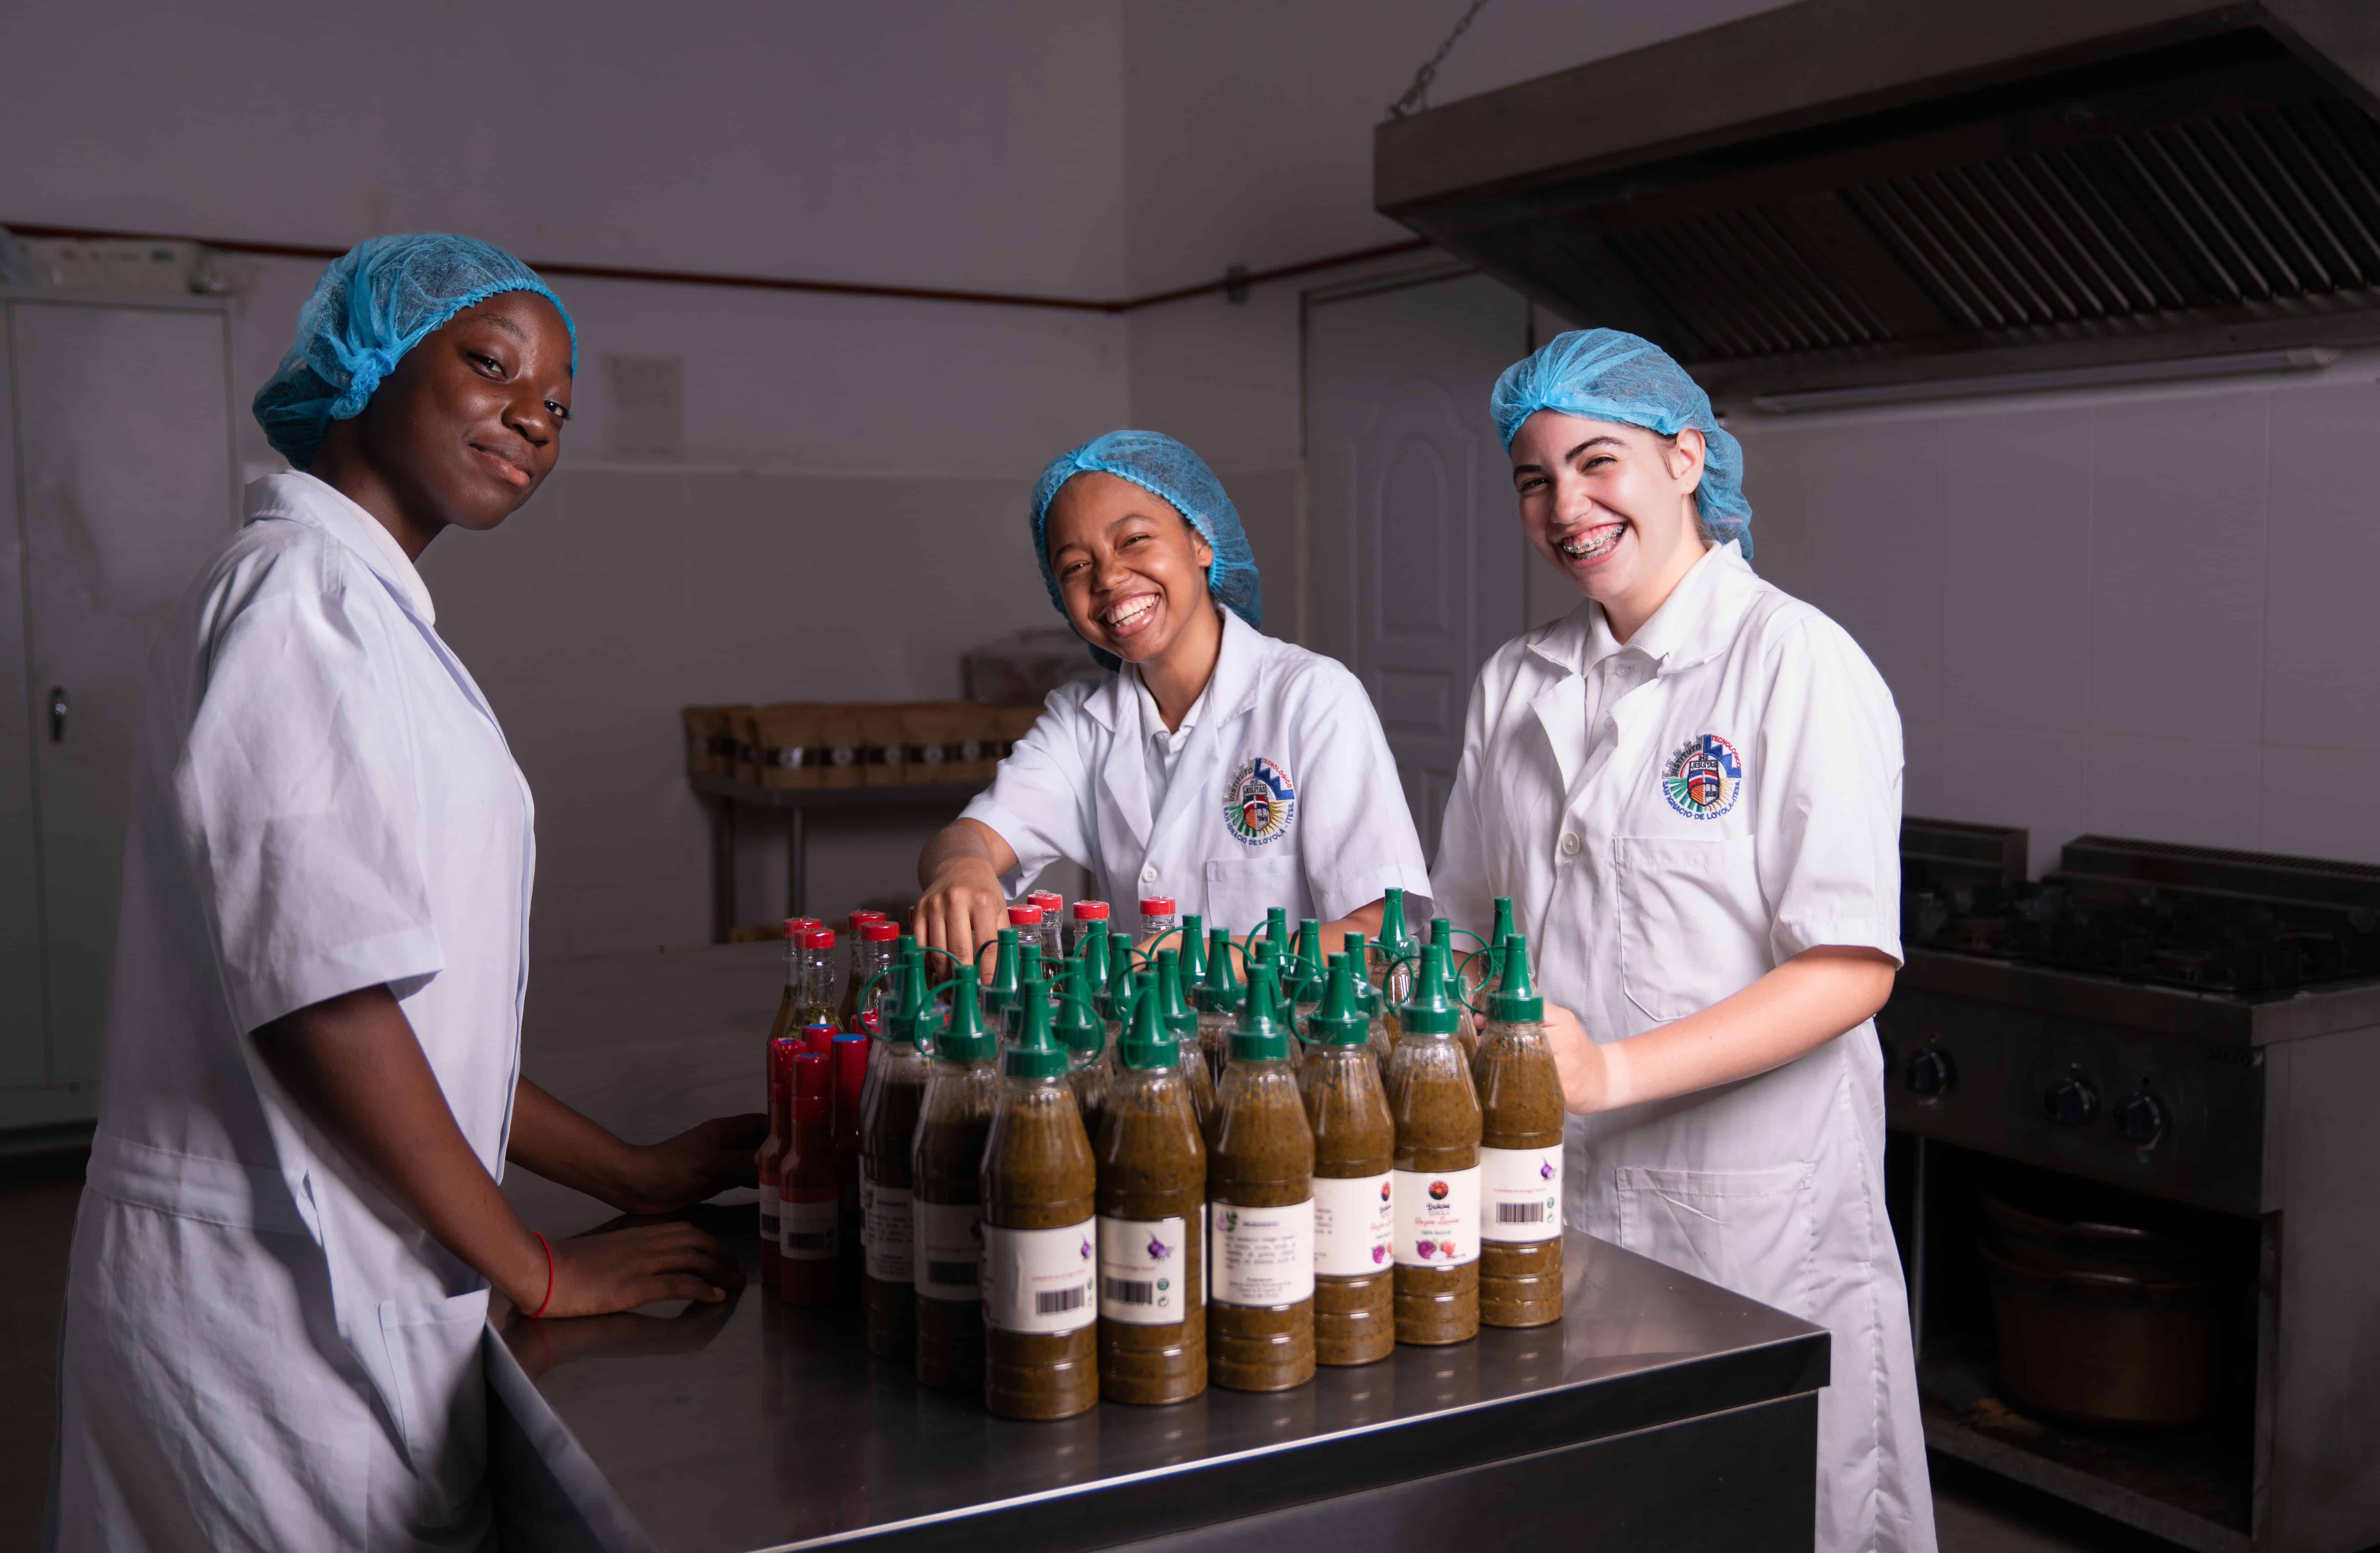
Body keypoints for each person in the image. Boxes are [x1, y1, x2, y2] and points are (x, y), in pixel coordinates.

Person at [48, 235, 759, 1550]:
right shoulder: (301, 607)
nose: (531, 421)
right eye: (489, 366)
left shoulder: (362, 611)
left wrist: (630, 1170)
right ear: (365, 370)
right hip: (267, 1307)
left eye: (556, 406)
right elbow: (328, 1009)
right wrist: (538, 1262)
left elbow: (411, 1014)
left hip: (331, 1280)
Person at [1431, 330, 1934, 1553]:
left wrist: (1607, 1071)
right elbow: (1454, 931)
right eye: (1535, 480)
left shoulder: (1794, 662)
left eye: (1598, 462)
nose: (1567, 506)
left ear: (1687, 458)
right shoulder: (1516, 680)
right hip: (1554, 1197)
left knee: (1761, 1506)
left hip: (1750, 1215)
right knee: (1597, 1506)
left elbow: (1851, 966)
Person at [914, 430, 1430, 962]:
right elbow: (970, 836)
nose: (1109, 577)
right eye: (1075, 566)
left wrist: (1211, 959)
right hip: (1145, 1041)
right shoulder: (1080, 721)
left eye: (1134, 539)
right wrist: (961, 870)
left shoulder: (1311, 698)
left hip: (1294, 1039)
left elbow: (1380, 933)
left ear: (1201, 541)